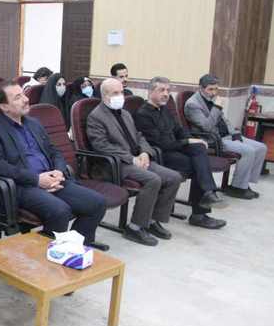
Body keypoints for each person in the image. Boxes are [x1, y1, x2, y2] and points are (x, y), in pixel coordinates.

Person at [0, 80, 108, 250]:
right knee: (60, 211)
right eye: (17, 97)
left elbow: (54, 151)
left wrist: (59, 171)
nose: (26, 99)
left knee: (97, 203)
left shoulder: (34, 123)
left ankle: (75, 247)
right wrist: (37, 179)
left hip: (52, 178)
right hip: (23, 185)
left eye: (23, 94)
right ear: (4, 106)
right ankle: (47, 257)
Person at [87, 78, 182, 246]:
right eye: (115, 93)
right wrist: (131, 158)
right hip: (115, 164)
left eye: (121, 92)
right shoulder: (96, 117)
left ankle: (152, 220)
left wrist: (145, 152)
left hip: (137, 158)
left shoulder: (124, 113)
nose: (120, 96)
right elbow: (101, 146)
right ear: (105, 95)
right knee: (153, 180)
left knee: (174, 177)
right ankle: (135, 228)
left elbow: (139, 136)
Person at [134, 77, 226, 229]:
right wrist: (188, 141)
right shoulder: (143, 114)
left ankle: (208, 194)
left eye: (168, 90)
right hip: (161, 154)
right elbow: (161, 144)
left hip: (175, 147)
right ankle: (200, 213)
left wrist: (192, 140)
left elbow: (179, 130)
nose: (166, 94)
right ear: (150, 92)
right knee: (199, 166)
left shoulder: (164, 109)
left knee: (200, 150)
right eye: (161, 90)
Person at [185, 74, 267, 200]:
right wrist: (217, 107)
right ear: (201, 88)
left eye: (216, 89)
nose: (214, 93)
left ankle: (244, 183)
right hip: (214, 140)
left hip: (227, 135)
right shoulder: (192, 104)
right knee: (249, 151)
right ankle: (238, 188)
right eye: (210, 89)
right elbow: (207, 126)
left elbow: (224, 120)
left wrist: (235, 133)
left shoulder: (211, 98)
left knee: (261, 147)